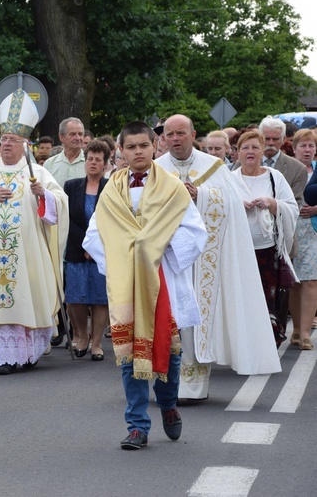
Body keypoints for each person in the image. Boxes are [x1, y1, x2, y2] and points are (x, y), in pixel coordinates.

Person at [83, 121, 208, 450]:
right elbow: (95, 234)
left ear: (155, 146)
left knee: (167, 348)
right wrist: (126, 257)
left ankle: (168, 405)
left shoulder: (172, 187)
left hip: (163, 277)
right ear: (120, 152)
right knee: (128, 353)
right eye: (131, 147)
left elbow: (194, 232)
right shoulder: (111, 189)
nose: (138, 151)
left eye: (143, 145)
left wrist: (154, 246)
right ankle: (137, 425)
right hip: (127, 282)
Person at [157, 114, 281, 399]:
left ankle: (193, 387)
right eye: (170, 134)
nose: (175, 139)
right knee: (170, 315)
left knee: (196, 317)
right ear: (163, 138)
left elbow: (231, 206)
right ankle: (166, 382)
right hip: (167, 255)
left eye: (180, 133)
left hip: (203, 260)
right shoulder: (156, 168)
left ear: (192, 134)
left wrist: (200, 194)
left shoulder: (212, 167)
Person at [0, 88, 69, 375]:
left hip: (28, 252)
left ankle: (28, 354)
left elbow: (60, 205)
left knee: (28, 295)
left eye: (13, 140)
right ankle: (6, 357)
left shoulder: (39, 173)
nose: (7, 144)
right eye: (3, 140)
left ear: (25, 144)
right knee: (4, 298)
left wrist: (43, 195)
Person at [231, 130, 299, 347]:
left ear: (262, 151)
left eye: (255, 147)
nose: (250, 152)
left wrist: (272, 204)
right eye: (245, 148)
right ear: (237, 153)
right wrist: (235, 206)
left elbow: (292, 207)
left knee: (266, 299)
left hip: (267, 250)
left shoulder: (274, 176)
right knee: (241, 299)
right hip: (237, 251)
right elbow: (216, 209)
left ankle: (266, 344)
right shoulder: (229, 179)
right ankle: (244, 345)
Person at [63, 140, 109, 361]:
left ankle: (97, 342)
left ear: (105, 164)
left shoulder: (111, 187)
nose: (93, 163)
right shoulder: (71, 186)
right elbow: (68, 219)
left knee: (101, 298)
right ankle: (81, 337)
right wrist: (84, 245)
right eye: (90, 158)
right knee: (75, 297)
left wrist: (95, 247)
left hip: (103, 251)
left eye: (98, 160)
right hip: (75, 249)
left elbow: (113, 220)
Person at [290, 129, 317, 350]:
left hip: (314, 231)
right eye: (303, 146)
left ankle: (306, 332)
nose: (307, 150)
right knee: (295, 283)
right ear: (294, 148)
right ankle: (296, 329)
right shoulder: (288, 170)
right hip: (292, 229)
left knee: (311, 281)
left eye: (311, 146)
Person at [43, 117, 86, 188]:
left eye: (80, 134)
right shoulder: (49, 164)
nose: (78, 138)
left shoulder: (90, 163)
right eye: (73, 134)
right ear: (61, 137)